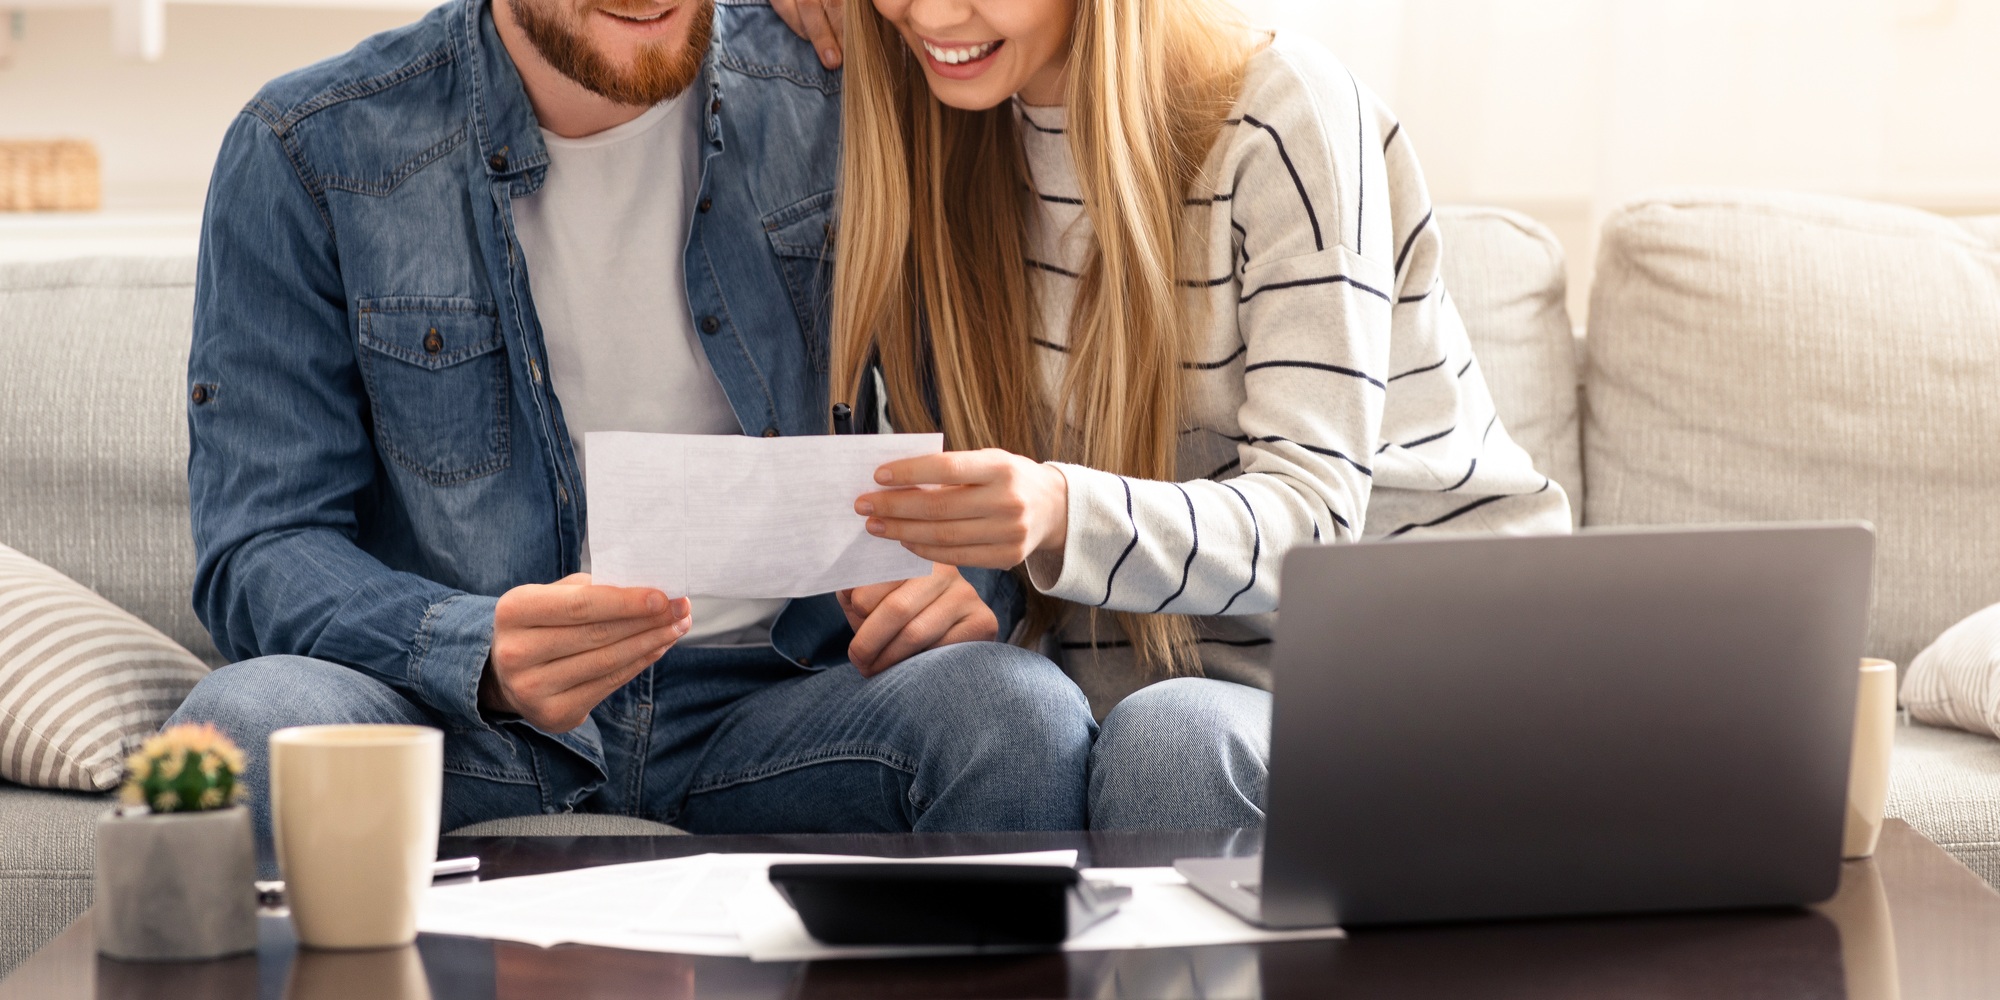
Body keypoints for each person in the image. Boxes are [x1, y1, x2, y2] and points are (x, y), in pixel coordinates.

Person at [169, 0, 1096, 858]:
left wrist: (961, 585)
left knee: (1019, 718)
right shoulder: (306, 148)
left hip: (781, 703)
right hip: (465, 723)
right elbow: (264, 545)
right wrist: (470, 647)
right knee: (246, 725)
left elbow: (983, 431)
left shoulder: (844, 96)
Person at [809, 0, 1573, 829]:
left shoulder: (1285, 117)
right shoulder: (938, 142)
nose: (924, 13)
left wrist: (1061, 511)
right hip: (1163, 701)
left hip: (1415, 676)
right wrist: (962, 582)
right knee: (1077, 727)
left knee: (1172, 741)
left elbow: (1311, 526)